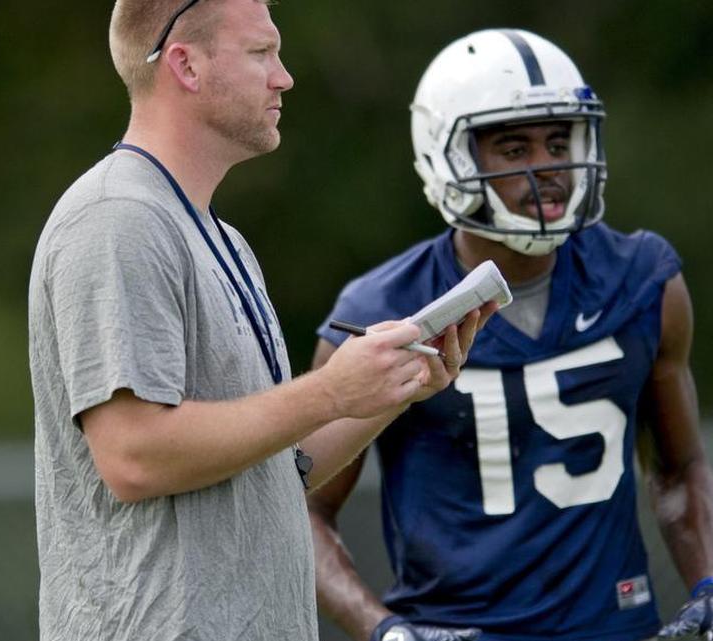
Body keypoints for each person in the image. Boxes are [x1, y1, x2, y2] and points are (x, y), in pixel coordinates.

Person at [27, 1, 494, 640]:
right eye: (260, 53)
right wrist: (329, 390)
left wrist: (395, 385)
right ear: (186, 65)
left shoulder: (222, 239)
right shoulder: (117, 220)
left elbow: (280, 463)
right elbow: (133, 455)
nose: (284, 77)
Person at [308, 29, 713, 641]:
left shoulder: (643, 280)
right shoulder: (385, 308)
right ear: (448, 156)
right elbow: (300, 507)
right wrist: (384, 629)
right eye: (514, 149)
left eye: (559, 141)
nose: (550, 168)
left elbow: (679, 465)